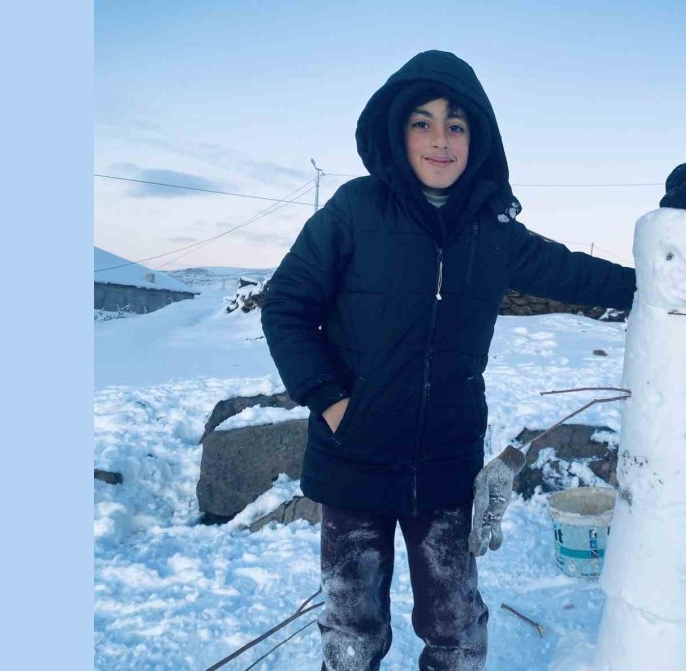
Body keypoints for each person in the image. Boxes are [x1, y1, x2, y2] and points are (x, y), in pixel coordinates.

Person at [261, 50, 636, 671]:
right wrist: (331, 402)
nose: (440, 140)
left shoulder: (490, 229)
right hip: (351, 456)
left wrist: (675, 275)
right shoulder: (356, 210)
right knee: (352, 632)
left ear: (477, 139)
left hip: (443, 462)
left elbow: (575, 272)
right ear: (396, 131)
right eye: (423, 122)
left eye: (456, 125)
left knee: (456, 629)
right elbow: (287, 307)